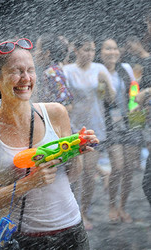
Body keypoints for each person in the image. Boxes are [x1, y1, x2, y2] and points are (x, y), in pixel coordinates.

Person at [0, 38, 99, 249]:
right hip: (22, 238)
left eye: (30, 70)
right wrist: (28, 183)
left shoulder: (56, 113)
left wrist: (75, 149)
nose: (26, 78)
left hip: (71, 232)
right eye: (16, 71)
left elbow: (72, 175)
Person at [62, 34, 115, 230]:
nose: (90, 53)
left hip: (95, 126)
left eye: (93, 50)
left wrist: (106, 83)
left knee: (89, 172)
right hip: (73, 128)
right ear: (76, 50)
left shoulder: (99, 69)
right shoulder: (67, 71)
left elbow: (111, 99)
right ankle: (71, 212)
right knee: (75, 172)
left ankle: (84, 211)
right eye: (86, 49)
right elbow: (63, 99)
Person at [97, 37, 143, 223]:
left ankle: (123, 207)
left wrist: (137, 120)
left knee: (130, 168)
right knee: (117, 167)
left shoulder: (126, 68)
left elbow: (134, 92)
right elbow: (103, 100)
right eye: (108, 49)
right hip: (111, 125)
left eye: (115, 48)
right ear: (101, 53)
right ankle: (112, 205)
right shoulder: (99, 71)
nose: (112, 52)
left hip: (131, 122)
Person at [35, 33, 73, 111]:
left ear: (47, 53)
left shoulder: (52, 73)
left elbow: (66, 106)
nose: (34, 53)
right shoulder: (55, 69)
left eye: (37, 49)